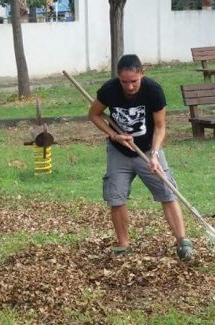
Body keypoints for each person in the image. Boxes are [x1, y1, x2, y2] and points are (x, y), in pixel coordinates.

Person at [87, 54, 193, 261]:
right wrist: (113, 135)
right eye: (124, 82)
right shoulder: (109, 90)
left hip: (147, 150)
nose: (129, 87)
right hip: (119, 152)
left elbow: (160, 127)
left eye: (134, 81)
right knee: (116, 197)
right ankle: (124, 245)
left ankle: (183, 242)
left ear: (141, 74)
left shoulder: (153, 90)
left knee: (167, 192)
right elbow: (94, 115)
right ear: (118, 77)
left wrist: (154, 155)